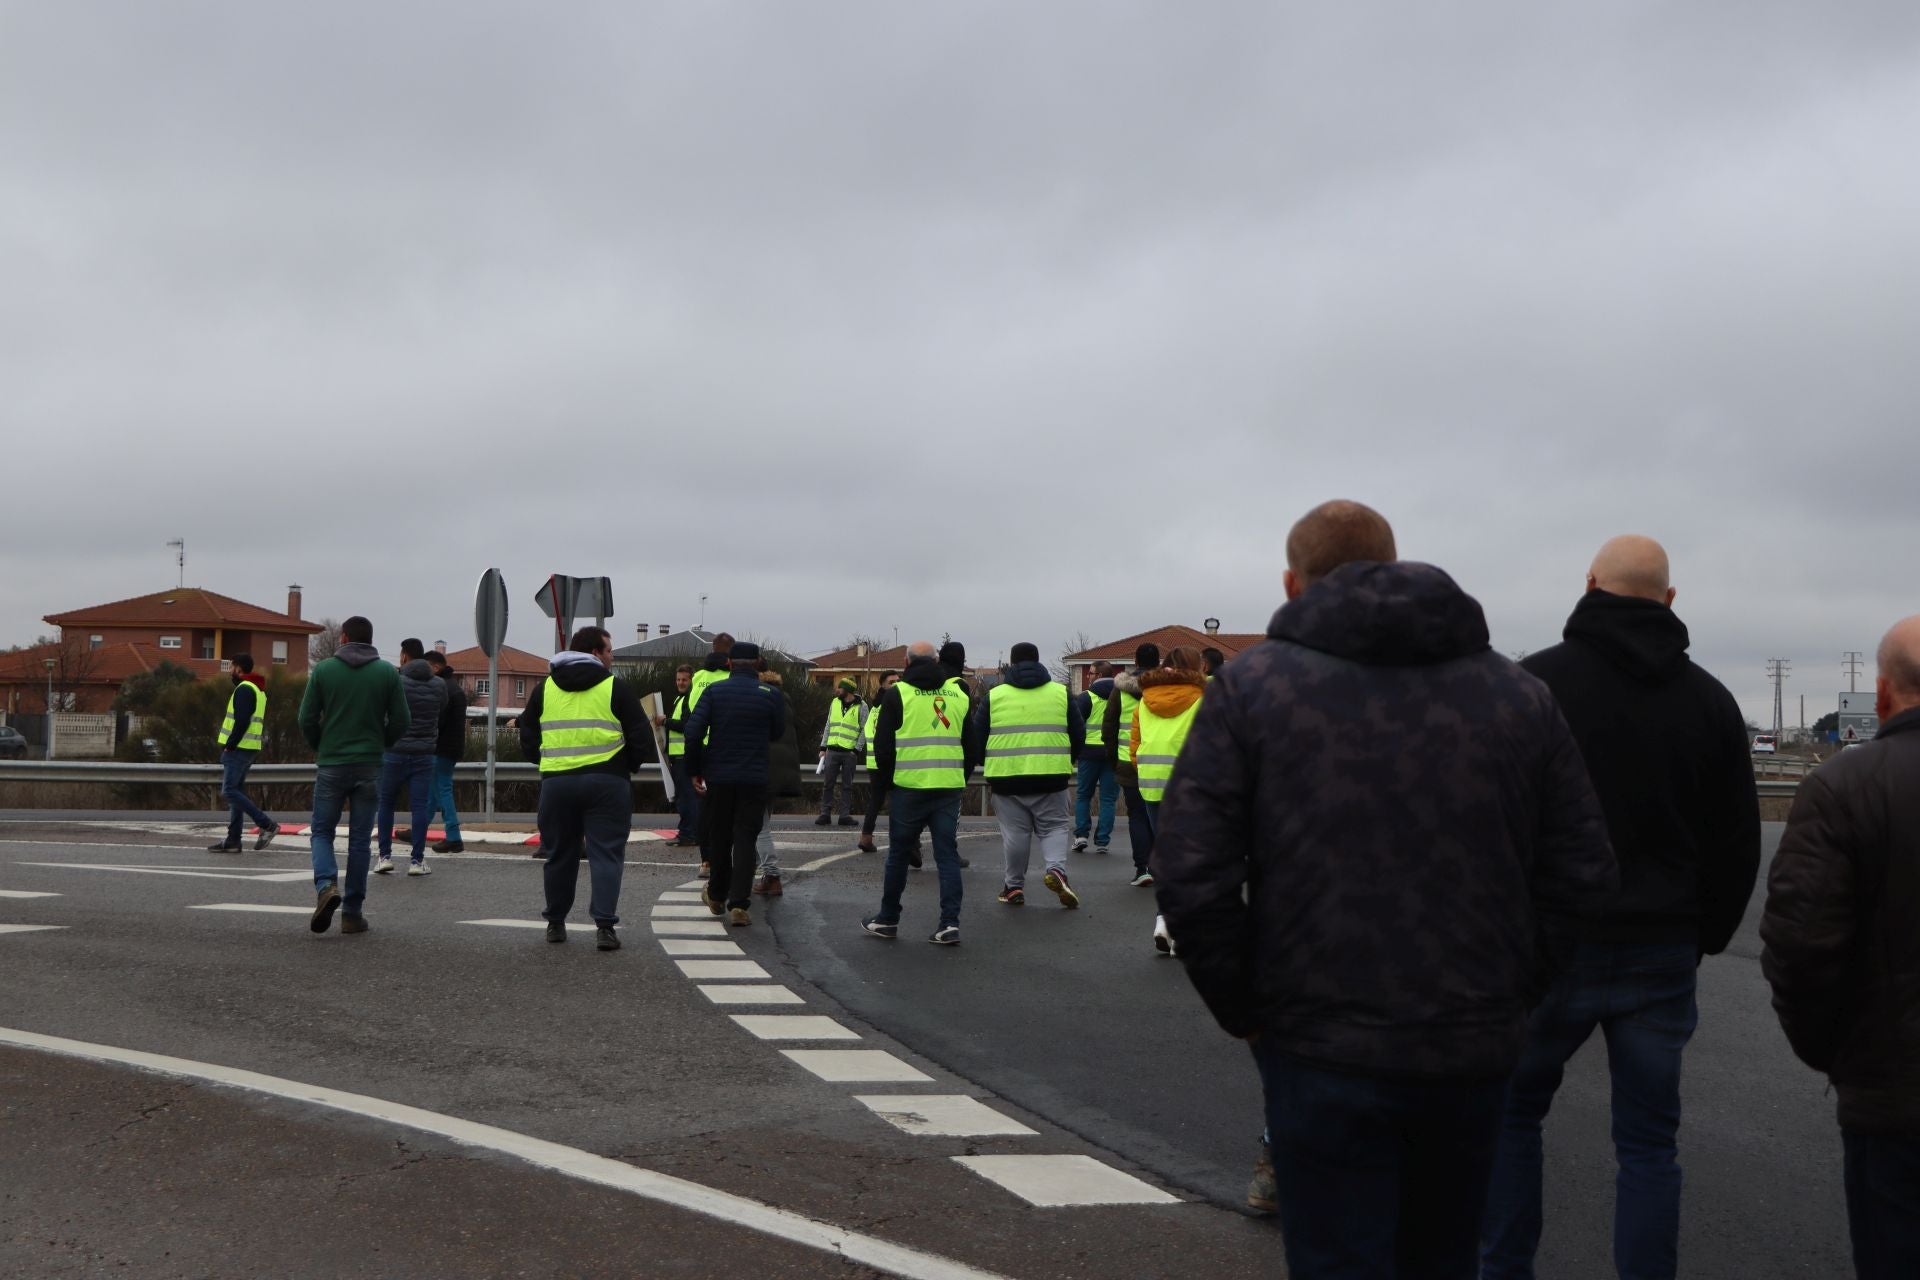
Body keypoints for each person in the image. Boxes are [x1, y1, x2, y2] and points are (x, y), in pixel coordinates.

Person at [1152, 500, 1617, 1279]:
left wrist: (1249, 1008)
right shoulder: (1514, 693)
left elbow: (1192, 871)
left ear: (1292, 583)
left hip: (1314, 1037)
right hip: (1470, 1037)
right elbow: (1582, 870)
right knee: (1443, 1255)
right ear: (1393, 562)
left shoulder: (1254, 689)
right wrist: (1513, 990)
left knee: (1336, 1254)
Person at [1482, 535, 1761, 1280]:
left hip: (1547, 945)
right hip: (1661, 947)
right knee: (1648, 1146)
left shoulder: (1530, 686)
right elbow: (1736, 840)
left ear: (1589, 585)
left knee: (1510, 1121)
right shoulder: (1709, 700)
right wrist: (1704, 934)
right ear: (1671, 602)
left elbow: (1492, 822)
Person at [1762, 615, 1920, 1279]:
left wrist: (1840, 1056)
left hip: (1897, 1101)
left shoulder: (1843, 787)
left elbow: (1801, 947)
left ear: (1880, 696)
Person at [521, 626, 650, 951]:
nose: (612, 656)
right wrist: (625, 767)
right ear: (595, 652)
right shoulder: (614, 687)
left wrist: (546, 762)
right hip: (607, 782)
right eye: (609, 650)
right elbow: (642, 737)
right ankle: (605, 927)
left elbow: (527, 734)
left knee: (559, 854)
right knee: (606, 854)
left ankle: (555, 923)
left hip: (557, 784)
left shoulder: (545, 688)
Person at [297, 616, 411, 936]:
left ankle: (326, 885)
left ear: (343, 637)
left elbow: (305, 717)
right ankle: (352, 913)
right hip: (370, 765)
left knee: (321, 831)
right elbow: (402, 719)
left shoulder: (324, 671)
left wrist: (320, 744)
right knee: (360, 840)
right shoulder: (387, 673)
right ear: (371, 639)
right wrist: (382, 742)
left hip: (332, 763)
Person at [863, 640, 973, 945]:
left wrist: (887, 784)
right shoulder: (957, 693)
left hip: (908, 786)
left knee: (898, 855)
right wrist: (958, 776)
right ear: (936, 661)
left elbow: (883, 747)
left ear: (906, 662)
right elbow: (972, 743)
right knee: (947, 855)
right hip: (948, 786)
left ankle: (888, 918)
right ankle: (949, 923)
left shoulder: (898, 694)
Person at [975, 641, 1083, 909]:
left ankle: (1013, 887)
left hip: (1007, 778)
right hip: (1051, 775)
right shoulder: (1060, 693)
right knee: (1054, 827)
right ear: (1038, 662)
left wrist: (986, 761)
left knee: (1015, 834)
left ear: (1011, 664)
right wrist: (1066, 759)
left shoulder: (995, 695)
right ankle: (1056, 870)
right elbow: (1078, 732)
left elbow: (977, 736)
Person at [684, 642, 785, 927]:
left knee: (720, 836)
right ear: (758, 663)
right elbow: (777, 732)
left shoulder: (714, 692)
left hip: (720, 776)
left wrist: (694, 770)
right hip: (754, 777)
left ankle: (716, 895)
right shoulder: (770, 694)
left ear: (729, 663)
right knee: (745, 839)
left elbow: (693, 733)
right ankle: (739, 905)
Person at [1131, 646, 1207, 955]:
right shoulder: (1205, 698)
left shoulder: (1145, 699)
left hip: (1152, 783)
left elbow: (1134, 744)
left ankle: (1166, 919)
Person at [375, 638, 446, 876]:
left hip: (394, 751)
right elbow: (441, 709)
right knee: (419, 807)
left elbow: (383, 711)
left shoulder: (394, 681)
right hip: (424, 753)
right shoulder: (439, 685)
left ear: (404, 656)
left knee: (386, 803)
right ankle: (417, 861)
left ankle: (384, 856)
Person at [208, 654, 280, 852]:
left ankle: (267, 825)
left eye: (231, 667)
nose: (230, 671)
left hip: (239, 748)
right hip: (248, 747)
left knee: (229, 790)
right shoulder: (257, 689)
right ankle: (233, 841)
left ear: (238, 668)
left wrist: (230, 744)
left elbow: (241, 721)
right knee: (236, 793)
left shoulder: (245, 689)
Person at [1104, 643, 1159, 887]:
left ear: (1135, 662)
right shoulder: (1167, 687)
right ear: (1158, 662)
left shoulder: (1120, 690)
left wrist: (1113, 759)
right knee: (1159, 816)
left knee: (1137, 815)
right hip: (1162, 763)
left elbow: (1110, 726)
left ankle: (1142, 868)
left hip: (1129, 761)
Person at [754, 666, 803, 897]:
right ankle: (752, 872)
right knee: (761, 821)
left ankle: (772, 874)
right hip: (783, 769)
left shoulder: (761, 699)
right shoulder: (785, 700)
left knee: (759, 825)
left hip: (764, 768)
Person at [691, 633, 735, 876]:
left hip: (701, 749)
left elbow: (691, 711)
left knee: (704, 808)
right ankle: (725, 859)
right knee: (727, 808)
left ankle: (705, 861)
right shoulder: (731, 676)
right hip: (723, 748)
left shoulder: (698, 677)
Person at [421, 650, 468, 854]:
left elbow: (437, 720)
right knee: (433, 792)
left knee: (443, 789)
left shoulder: (443, 688)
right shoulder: (453, 686)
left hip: (441, 747)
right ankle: (419, 829)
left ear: (435, 667)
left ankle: (454, 837)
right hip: (451, 747)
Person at [1072, 662, 1119, 856]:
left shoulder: (1086, 697)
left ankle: (1081, 835)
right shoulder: (1122, 696)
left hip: (1089, 753)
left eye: (1090, 673)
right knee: (1108, 799)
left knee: (1084, 795)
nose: (1088, 677)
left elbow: (1076, 726)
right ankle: (1103, 841)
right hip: (1112, 753)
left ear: (1098, 675)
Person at [652, 665, 699, 847]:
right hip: (679, 756)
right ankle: (688, 832)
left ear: (691, 680)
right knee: (684, 797)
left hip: (684, 757)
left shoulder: (688, 700)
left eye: (684, 679)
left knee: (687, 798)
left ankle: (688, 834)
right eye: (678, 679)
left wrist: (665, 721)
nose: (680, 682)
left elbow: (687, 725)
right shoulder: (680, 699)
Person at [857, 671, 902, 854]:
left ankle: (866, 837)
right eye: (892, 682)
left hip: (874, 762)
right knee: (897, 802)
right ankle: (900, 841)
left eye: (898, 681)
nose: (896, 684)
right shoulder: (892, 705)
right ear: (882, 685)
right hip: (890, 761)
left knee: (876, 801)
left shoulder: (874, 707)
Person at [817, 678, 862, 827]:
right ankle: (825, 814)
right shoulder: (835, 702)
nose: (837, 690)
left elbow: (864, 729)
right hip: (832, 750)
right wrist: (823, 747)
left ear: (847, 690)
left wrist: (856, 750)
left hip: (849, 752)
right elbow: (829, 725)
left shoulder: (862, 706)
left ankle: (844, 816)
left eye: (840, 688)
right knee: (828, 784)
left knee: (847, 785)